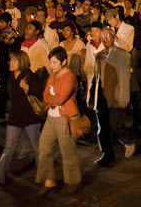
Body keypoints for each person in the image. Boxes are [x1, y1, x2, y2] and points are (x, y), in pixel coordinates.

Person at [0, 52, 43, 186]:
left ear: (21, 62)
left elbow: (40, 93)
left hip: (30, 117)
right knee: (8, 148)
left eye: (14, 60)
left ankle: (43, 174)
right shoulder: (10, 77)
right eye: (10, 60)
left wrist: (27, 88)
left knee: (38, 148)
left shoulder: (31, 76)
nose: (10, 63)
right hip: (15, 116)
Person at [37, 47, 82, 195]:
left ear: (63, 62)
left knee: (67, 150)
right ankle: (49, 179)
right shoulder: (53, 74)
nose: (52, 65)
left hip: (65, 117)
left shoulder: (69, 77)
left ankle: (72, 181)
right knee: (44, 147)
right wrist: (52, 99)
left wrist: (52, 98)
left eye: (55, 62)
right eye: (51, 62)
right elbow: (45, 95)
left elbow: (61, 98)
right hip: (51, 116)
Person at [88, 26, 135, 167]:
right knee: (102, 128)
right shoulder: (99, 55)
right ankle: (106, 155)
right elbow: (95, 78)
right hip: (101, 95)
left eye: (108, 36)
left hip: (115, 95)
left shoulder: (121, 54)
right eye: (103, 36)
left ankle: (128, 140)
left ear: (114, 37)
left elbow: (125, 77)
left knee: (115, 125)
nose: (106, 39)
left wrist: (124, 98)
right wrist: (91, 96)